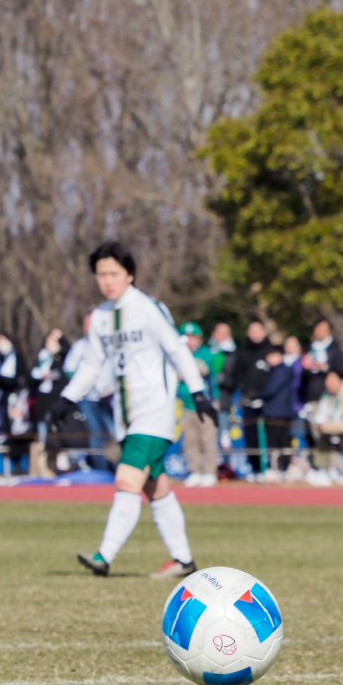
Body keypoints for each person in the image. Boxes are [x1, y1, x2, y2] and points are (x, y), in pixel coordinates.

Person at [47, 242, 216, 579]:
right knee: (156, 488)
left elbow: (176, 349)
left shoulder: (148, 308)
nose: (107, 280)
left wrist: (198, 392)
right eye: (101, 274)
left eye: (114, 273)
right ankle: (183, 560)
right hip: (127, 416)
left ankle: (104, 556)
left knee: (127, 479)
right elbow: (92, 364)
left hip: (155, 410)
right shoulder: (100, 318)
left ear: (130, 275)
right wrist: (66, 399)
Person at [64, 313, 115, 471]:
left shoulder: (111, 343)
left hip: (109, 398)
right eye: (87, 324)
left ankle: (117, 468)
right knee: (96, 434)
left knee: (115, 432)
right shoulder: (80, 346)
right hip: (88, 399)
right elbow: (70, 370)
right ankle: (100, 470)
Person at [177, 322, 222, 487]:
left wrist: (181, 370)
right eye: (186, 337)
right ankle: (195, 471)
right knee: (190, 441)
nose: (190, 341)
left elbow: (200, 370)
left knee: (207, 439)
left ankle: (209, 472)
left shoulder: (207, 353)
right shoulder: (178, 354)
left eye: (193, 337)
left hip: (206, 404)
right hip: (187, 405)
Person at [228, 320, 274, 473]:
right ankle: (256, 469)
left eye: (258, 330)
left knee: (272, 436)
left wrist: (263, 393)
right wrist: (246, 391)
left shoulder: (271, 352)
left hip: (269, 402)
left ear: (264, 332)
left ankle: (273, 469)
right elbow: (237, 376)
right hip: (248, 401)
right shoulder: (243, 353)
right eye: (251, 331)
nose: (255, 334)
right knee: (251, 437)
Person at [28, 328, 69, 477]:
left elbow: (68, 355)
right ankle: (43, 470)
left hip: (56, 402)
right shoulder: (41, 357)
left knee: (57, 436)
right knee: (42, 436)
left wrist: (62, 340)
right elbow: (30, 378)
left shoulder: (61, 356)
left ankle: (58, 468)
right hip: (42, 403)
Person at [309, 370, 343, 479]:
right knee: (321, 435)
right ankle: (323, 469)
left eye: (332, 380)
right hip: (329, 432)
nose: (329, 383)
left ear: (341, 380)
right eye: (327, 380)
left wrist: (326, 427)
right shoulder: (326, 396)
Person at [257, 342, 298, 475]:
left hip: (279, 413)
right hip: (274, 412)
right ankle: (276, 468)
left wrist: (257, 395)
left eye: (274, 355)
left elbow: (270, 389)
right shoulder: (271, 370)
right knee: (274, 442)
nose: (271, 359)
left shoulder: (283, 370)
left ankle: (282, 468)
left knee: (281, 442)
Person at [302, 319, 343, 404]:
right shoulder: (310, 348)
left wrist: (325, 367)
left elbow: (341, 369)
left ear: (329, 331)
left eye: (323, 329)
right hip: (311, 392)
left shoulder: (335, 348)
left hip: (329, 393)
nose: (319, 331)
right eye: (317, 328)